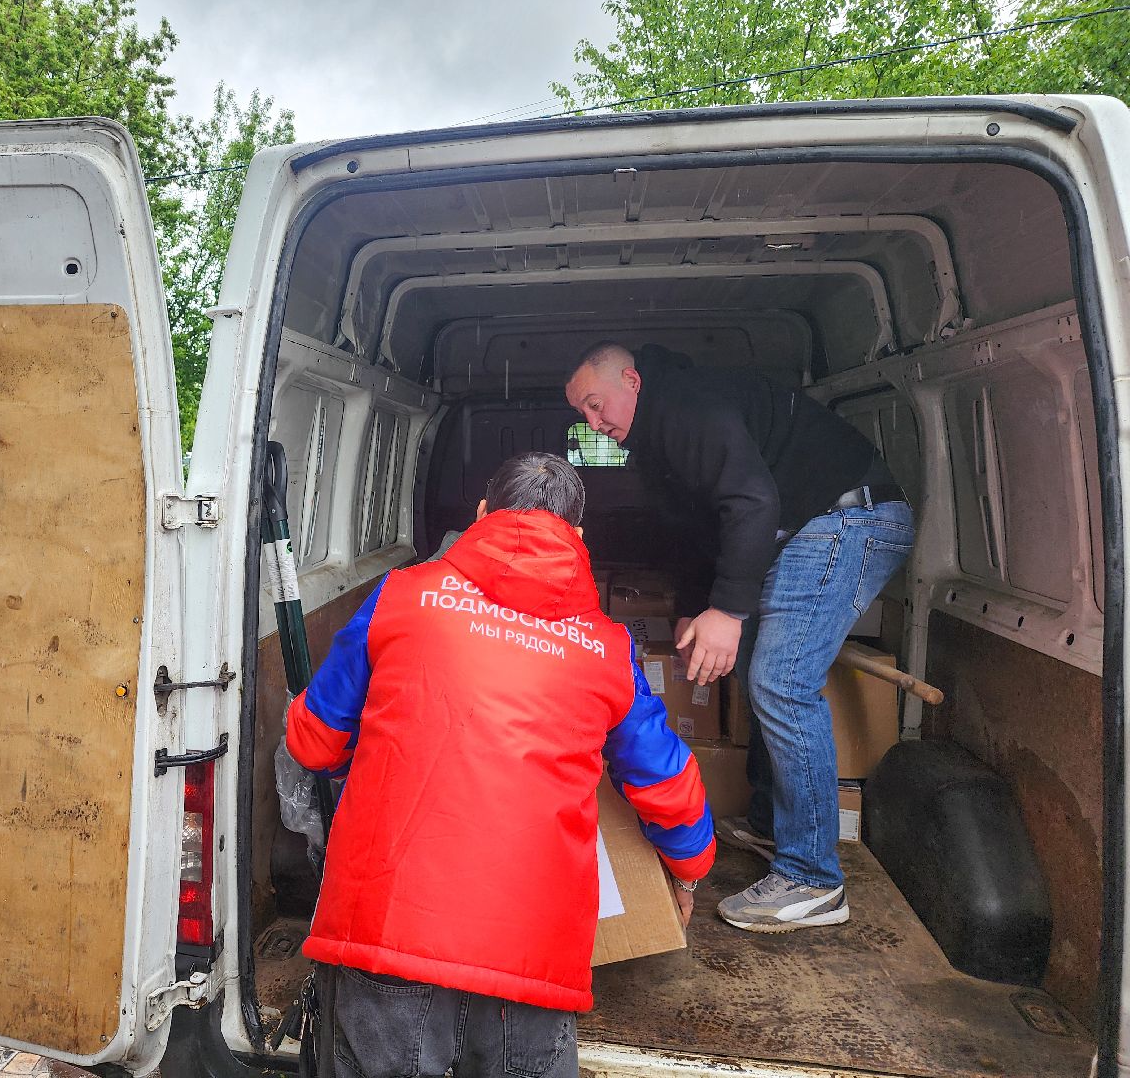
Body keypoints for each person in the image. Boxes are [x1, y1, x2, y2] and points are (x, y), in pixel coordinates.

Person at [286, 452, 714, 1078]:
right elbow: (667, 779)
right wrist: (690, 868)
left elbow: (314, 742)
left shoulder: (399, 596)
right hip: (531, 958)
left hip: (387, 933)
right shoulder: (606, 648)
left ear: (481, 515)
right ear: (579, 536)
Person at [564, 342, 915, 933]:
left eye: (597, 406)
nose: (594, 424)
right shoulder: (655, 440)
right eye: (585, 417)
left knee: (782, 684)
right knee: (758, 674)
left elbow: (752, 501)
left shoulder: (686, 408)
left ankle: (813, 879)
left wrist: (727, 611)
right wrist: (692, 609)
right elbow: (700, 528)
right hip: (805, 528)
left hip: (848, 518)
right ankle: (772, 824)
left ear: (631, 379)